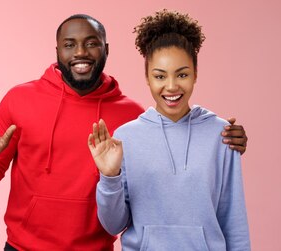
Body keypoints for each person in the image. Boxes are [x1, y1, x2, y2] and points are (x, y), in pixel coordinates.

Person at [0, 14, 248, 250]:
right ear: (57, 50)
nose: (81, 53)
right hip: (23, 248)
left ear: (106, 50)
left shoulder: (130, 117)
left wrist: (225, 138)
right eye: (70, 44)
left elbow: (173, 153)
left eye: (91, 44)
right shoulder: (20, 100)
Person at [89, 10, 250, 250]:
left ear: (195, 74)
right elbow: (113, 225)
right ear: (147, 77)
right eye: (160, 76)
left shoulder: (222, 134)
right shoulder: (125, 137)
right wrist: (109, 177)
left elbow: (234, 221)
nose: (171, 86)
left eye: (182, 74)